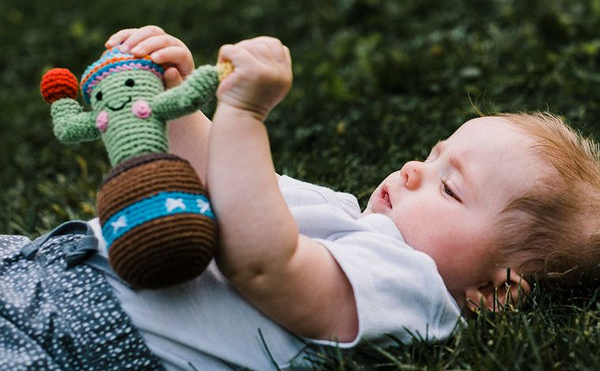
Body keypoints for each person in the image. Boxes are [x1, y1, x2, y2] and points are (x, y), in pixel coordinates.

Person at [2, 26, 600, 370]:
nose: (415, 169)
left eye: (450, 186)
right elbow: (220, 176)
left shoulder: (411, 289)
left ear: (497, 292)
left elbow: (264, 263)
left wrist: (245, 112)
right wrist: (179, 96)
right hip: (41, 267)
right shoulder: (343, 212)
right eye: (434, 153)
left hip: (75, 339)